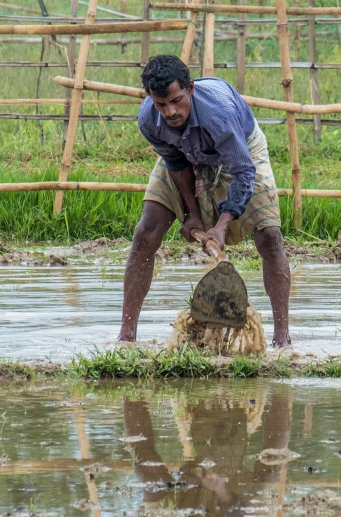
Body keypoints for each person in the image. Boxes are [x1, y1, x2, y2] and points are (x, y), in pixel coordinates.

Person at [118, 54, 291, 347]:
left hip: (240, 151)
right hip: (185, 154)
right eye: (161, 104)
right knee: (145, 232)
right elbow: (175, 162)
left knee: (269, 236)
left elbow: (244, 171)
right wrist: (192, 214)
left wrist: (222, 226)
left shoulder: (218, 113)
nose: (170, 111)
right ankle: (126, 336)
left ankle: (281, 338)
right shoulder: (150, 120)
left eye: (176, 100)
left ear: (191, 89)